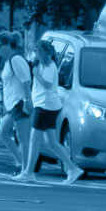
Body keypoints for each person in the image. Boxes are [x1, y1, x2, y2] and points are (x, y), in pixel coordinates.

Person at [18, 42, 84, 184]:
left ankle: (28, 172)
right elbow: (28, 57)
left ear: (43, 52)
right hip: (47, 106)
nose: (34, 52)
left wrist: (37, 75)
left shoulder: (49, 66)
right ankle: (73, 169)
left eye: (37, 50)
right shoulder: (40, 64)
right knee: (51, 141)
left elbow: (47, 84)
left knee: (34, 139)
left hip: (45, 106)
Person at [0, 32, 33, 178]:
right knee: (3, 133)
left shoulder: (16, 59)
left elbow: (26, 81)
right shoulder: (8, 60)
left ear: (8, 45)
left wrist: (27, 102)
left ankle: (26, 170)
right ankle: (21, 164)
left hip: (19, 102)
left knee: (22, 137)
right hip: (11, 105)